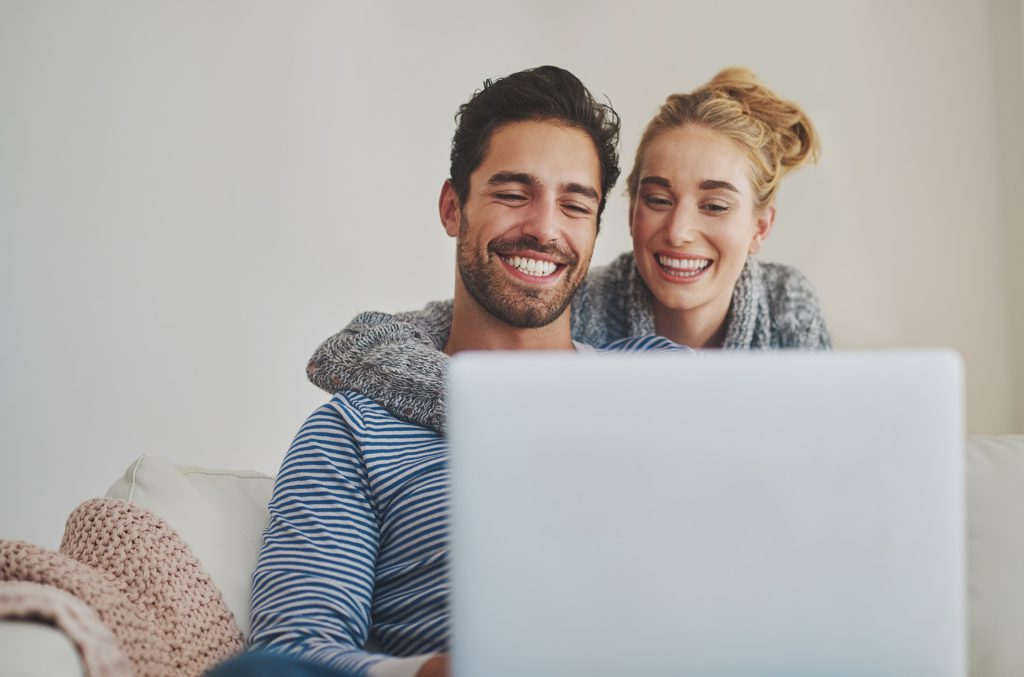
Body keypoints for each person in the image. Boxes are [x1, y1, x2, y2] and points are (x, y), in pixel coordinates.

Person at [210, 66, 685, 677]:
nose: (544, 228)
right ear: (452, 207)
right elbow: (297, 649)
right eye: (513, 194)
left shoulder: (663, 380)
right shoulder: (351, 433)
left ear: (594, 230)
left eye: (574, 204)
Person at [305, 67, 829, 434]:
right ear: (627, 213)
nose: (678, 232)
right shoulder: (582, 306)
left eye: (714, 205)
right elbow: (368, 347)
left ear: (760, 227)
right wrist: (518, 411)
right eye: (657, 199)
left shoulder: (786, 308)